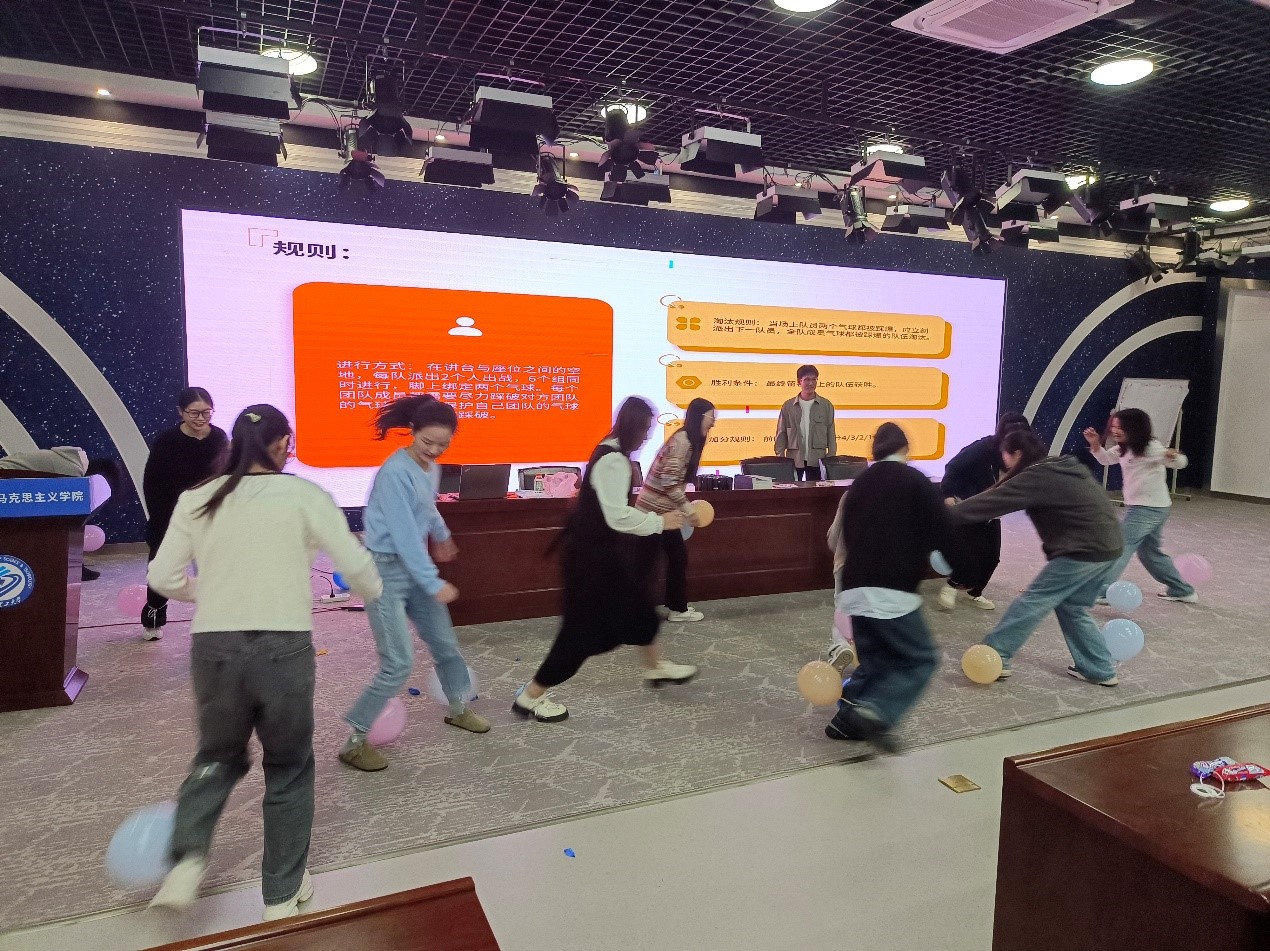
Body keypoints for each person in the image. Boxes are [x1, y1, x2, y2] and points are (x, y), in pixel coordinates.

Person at [146, 405, 381, 919]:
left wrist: (209, 591)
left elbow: (162, 578)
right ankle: (280, 895)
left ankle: (187, 860)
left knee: (216, 755)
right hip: (283, 646)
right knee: (289, 766)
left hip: (214, 646)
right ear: (282, 445)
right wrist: (375, 590)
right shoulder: (305, 495)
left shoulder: (198, 497)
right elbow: (359, 569)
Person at [513, 397, 696, 723]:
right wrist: (659, 522)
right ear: (632, 427)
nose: (646, 438)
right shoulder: (614, 461)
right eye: (645, 430)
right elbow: (617, 516)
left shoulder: (609, 451)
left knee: (640, 608)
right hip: (591, 563)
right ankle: (530, 697)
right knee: (580, 635)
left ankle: (655, 666)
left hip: (601, 556)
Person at [340, 395, 490, 773]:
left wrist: (442, 534)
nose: (434, 451)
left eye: (443, 444)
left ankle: (458, 708)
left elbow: (427, 508)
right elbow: (405, 535)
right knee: (398, 661)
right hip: (385, 571)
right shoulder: (394, 473)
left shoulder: (429, 468)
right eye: (428, 442)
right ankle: (355, 742)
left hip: (414, 568)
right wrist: (432, 580)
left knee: (445, 644)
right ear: (412, 432)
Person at [950, 429, 1122, 686]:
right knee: (1073, 607)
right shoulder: (1062, 466)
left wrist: (941, 515)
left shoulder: (1037, 476)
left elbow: (990, 502)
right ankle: (1099, 668)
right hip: (1109, 546)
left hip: (1083, 550)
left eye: (1004, 455)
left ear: (1016, 454)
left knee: (1033, 600)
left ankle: (997, 655)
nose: (1003, 461)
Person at [824, 423, 956, 753]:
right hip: (893, 590)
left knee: (875, 662)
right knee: (921, 660)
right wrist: (963, 568)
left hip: (854, 588)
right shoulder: (916, 481)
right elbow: (943, 530)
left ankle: (844, 721)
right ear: (905, 449)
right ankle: (878, 712)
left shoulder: (859, 484)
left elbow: (840, 537)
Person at [140, 387, 228, 640]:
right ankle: (154, 618)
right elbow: (152, 482)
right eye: (194, 413)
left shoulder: (219, 438)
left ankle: (215, 619)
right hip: (170, 514)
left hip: (210, 514)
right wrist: (159, 517)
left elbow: (226, 476)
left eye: (206, 412)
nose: (200, 418)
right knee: (162, 569)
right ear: (181, 412)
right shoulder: (167, 441)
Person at [1083, 409, 1197, 604]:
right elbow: (1106, 459)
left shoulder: (1150, 447)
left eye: (1121, 427)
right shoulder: (1124, 447)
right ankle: (1182, 590)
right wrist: (1095, 444)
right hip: (1153, 507)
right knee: (1150, 554)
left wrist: (1173, 456)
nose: (1115, 431)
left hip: (1147, 508)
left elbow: (1181, 462)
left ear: (1134, 428)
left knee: (1120, 545)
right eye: (1114, 426)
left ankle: (1102, 590)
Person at [936, 412, 1032, 612]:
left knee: (992, 558)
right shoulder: (982, 449)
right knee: (968, 550)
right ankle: (951, 587)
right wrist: (947, 494)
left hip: (992, 510)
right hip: (969, 506)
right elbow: (953, 466)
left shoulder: (1026, 453)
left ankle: (974, 593)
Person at [635, 398, 717, 622]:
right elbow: (670, 482)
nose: (713, 423)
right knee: (647, 564)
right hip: (653, 513)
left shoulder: (688, 440)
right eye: (711, 417)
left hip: (664, 513)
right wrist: (688, 509)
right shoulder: (683, 442)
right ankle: (639, 610)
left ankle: (677, 608)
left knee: (675, 557)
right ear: (700, 417)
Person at [774, 365, 837, 481]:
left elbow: (831, 432)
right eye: (807, 379)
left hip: (818, 459)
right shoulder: (788, 406)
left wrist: (831, 455)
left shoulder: (826, 405)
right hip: (794, 459)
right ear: (799, 381)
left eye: (814, 379)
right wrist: (780, 456)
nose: (811, 383)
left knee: (815, 490)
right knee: (792, 489)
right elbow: (781, 432)